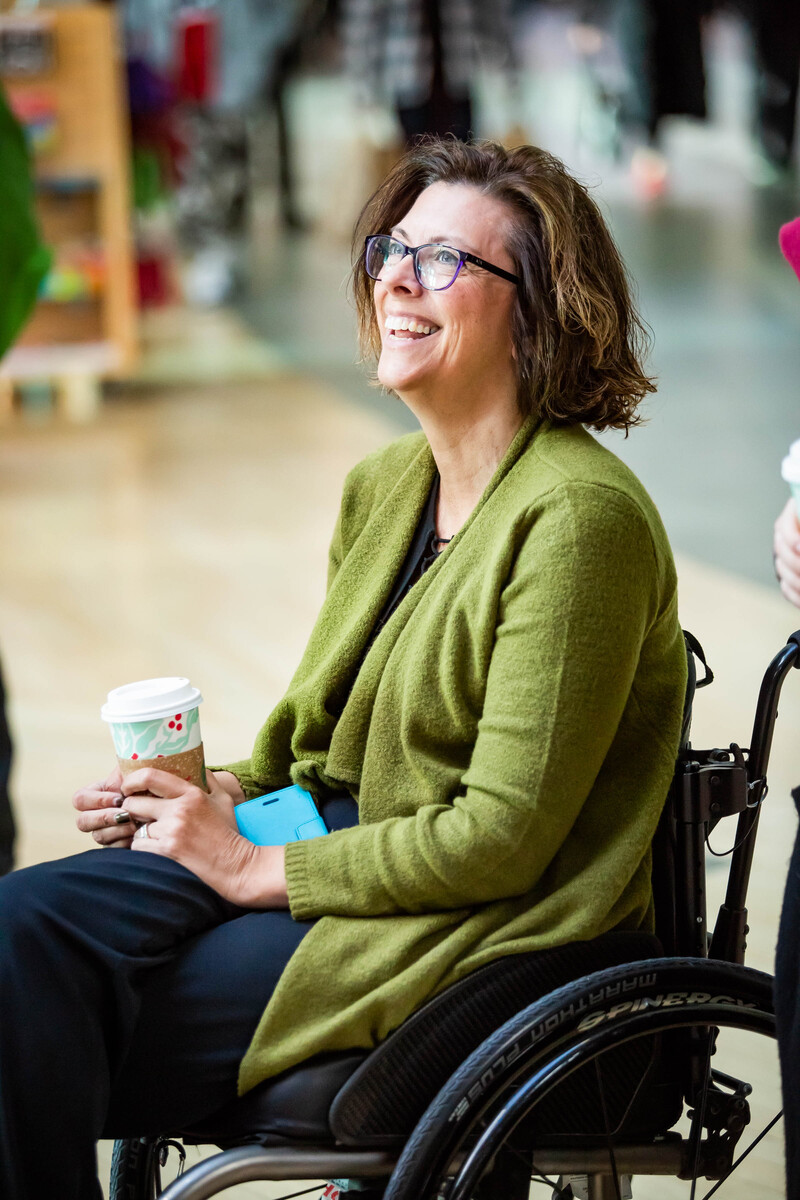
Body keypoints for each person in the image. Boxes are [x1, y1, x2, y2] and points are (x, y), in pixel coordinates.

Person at [0, 138, 687, 1199]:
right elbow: (307, 749)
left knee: (32, 1024)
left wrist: (243, 868)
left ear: (539, 308)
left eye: (446, 262)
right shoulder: (387, 485)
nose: (396, 279)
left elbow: (501, 839)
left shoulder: (578, 521)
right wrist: (208, 795)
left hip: (462, 929)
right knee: (23, 926)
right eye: (390, 250)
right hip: (321, 859)